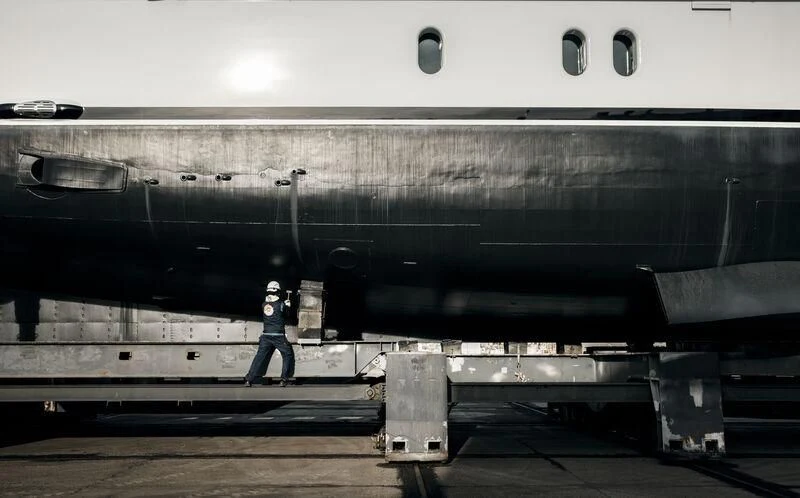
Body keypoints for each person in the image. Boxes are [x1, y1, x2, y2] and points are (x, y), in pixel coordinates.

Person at [244, 280, 295, 387]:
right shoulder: (281, 304)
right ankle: (283, 379)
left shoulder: (263, 305)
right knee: (287, 354)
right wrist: (288, 306)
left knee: (259, 357)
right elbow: (286, 315)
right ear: (277, 292)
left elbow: (271, 307)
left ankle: (249, 379)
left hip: (266, 336)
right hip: (278, 336)